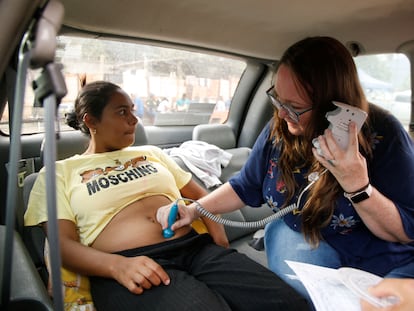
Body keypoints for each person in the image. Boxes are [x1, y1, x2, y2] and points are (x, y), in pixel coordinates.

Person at [157, 36, 414, 308]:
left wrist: (357, 186)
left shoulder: (385, 134)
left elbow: (404, 231)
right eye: (278, 99)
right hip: (304, 236)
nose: (282, 114)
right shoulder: (278, 131)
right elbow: (245, 186)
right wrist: (195, 209)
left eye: (295, 107)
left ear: (333, 105)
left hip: (384, 255)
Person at [24, 81, 309, 311]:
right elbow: (62, 245)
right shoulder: (59, 173)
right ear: (91, 120)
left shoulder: (151, 154)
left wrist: (220, 246)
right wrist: (117, 266)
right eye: (122, 112)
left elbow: (202, 200)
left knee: (290, 303)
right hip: (130, 266)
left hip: (197, 249)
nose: (135, 119)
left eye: (133, 110)